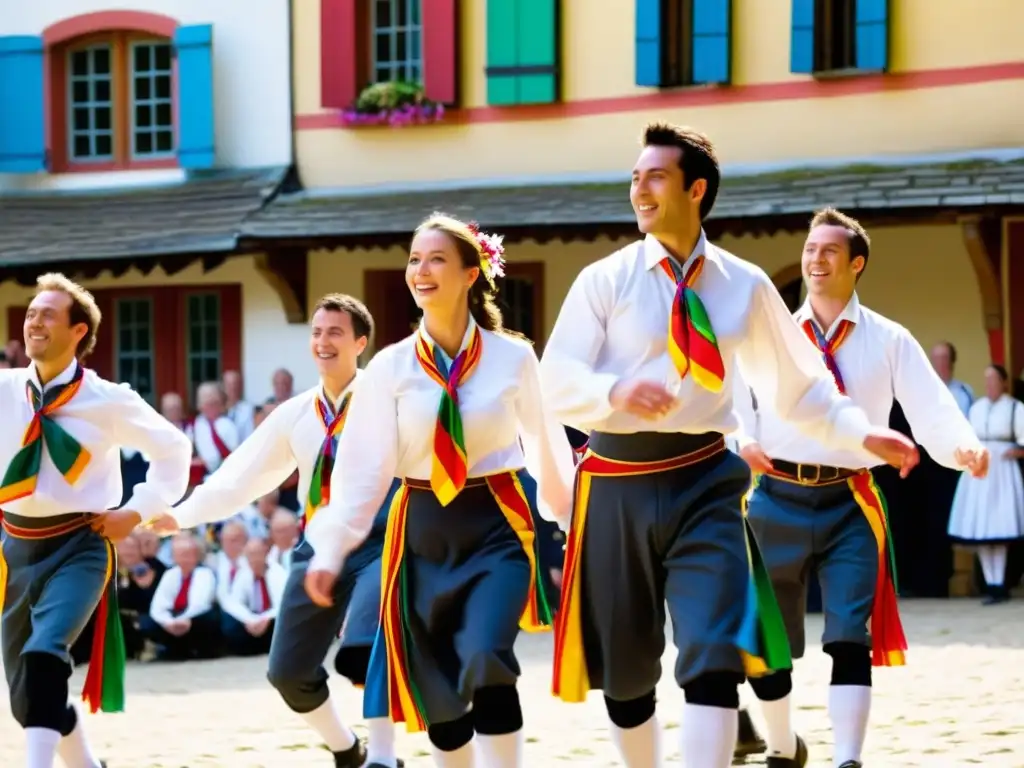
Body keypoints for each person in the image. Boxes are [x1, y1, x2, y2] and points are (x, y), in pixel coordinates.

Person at [538, 123, 918, 768]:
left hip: (705, 482)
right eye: (634, 177)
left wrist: (862, 431)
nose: (639, 190)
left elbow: (800, 388)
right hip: (611, 483)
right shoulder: (603, 279)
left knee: (713, 652)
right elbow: (556, 380)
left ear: (696, 189)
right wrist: (614, 392)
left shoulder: (745, 285)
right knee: (626, 674)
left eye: (655, 176)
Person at [303, 214, 576, 768]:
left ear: (472, 273)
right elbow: (360, 472)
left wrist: (575, 527)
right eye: (414, 259)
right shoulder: (389, 367)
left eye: (436, 259)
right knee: (440, 698)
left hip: (498, 525)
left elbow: (547, 447)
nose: (420, 271)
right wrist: (331, 549)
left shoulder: (514, 357)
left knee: (486, 657)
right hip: (420, 532)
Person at [733, 208, 988, 768]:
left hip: (852, 501)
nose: (815, 259)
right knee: (768, 642)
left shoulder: (890, 339)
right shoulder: (772, 337)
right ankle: (780, 744)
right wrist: (742, 442)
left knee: (850, 635)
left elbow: (931, 408)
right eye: (809, 249)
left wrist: (962, 448)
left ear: (857, 264)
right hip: (774, 497)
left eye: (829, 250)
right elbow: (737, 403)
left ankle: (848, 759)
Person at [150, 294, 401, 768]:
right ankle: (349, 749)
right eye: (317, 332)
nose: (323, 342)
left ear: (361, 342)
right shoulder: (297, 413)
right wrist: (181, 515)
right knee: (287, 672)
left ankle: (384, 758)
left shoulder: (388, 400)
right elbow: (241, 475)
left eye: (335, 333)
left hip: (380, 542)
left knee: (367, 644)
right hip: (317, 545)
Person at [0, 273, 191, 768]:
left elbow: (174, 450)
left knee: (46, 654)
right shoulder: (3, 389)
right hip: (13, 548)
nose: (33, 322)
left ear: (79, 331)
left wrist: (137, 509)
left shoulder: (108, 399)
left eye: (47, 314)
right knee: (26, 699)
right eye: (30, 313)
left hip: (80, 545)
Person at [948, 363, 1024, 604]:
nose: (990, 385)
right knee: (981, 526)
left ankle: (1000, 583)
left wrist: (1015, 452)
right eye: (987, 380)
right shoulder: (977, 408)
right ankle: (990, 583)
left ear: (1003, 383)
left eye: (994, 380)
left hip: (1002, 472)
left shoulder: (1015, 408)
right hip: (980, 470)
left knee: (999, 528)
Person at [139, 533, 221, 660]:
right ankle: (174, 650)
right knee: (147, 622)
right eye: (180, 555)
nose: (185, 559)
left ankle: (200, 650)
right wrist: (169, 622)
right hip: (174, 617)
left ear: (196, 556)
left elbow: (200, 604)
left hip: (194, 617)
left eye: (188, 554)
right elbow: (158, 604)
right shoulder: (170, 574)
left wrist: (183, 620)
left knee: (210, 618)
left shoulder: (205, 573)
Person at [220, 537, 287, 655]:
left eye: (257, 554)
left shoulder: (278, 572)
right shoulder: (243, 573)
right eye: (250, 555)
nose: (254, 559)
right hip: (252, 618)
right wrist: (249, 619)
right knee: (229, 622)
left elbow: (282, 604)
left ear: (265, 553)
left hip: (271, 619)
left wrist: (265, 619)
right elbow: (234, 602)